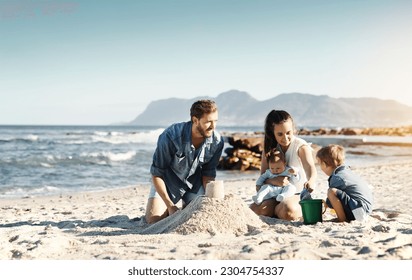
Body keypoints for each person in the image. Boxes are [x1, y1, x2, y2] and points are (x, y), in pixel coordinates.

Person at [145, 99, 224, 224]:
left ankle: (187, 204)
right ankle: (169, 206)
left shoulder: (217, 141)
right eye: (208, 122)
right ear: (195, 120)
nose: (213, 127)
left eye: (215, 121)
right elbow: (157, 174)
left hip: (194, 184)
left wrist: (209, 199)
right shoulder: (170, 136)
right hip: (168, 183)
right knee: (153, 220)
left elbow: (208, 174)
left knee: (201, 216)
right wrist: (170, 206)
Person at [250, 110, 317, 220]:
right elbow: (263, 177)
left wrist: (311, 181)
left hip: (296, 193)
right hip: (274, 193)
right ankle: (276, 208)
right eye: (280, 134)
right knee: (253, 210)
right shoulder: (269, 149)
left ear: (293, 129)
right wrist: (273, 181)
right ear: (272, 133)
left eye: (288, 133)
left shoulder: (301, 147)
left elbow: (311, 169)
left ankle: (278, 209)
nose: (285, 138)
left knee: (288, 210)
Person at [316, 144, 373, 222]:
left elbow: (331, 201)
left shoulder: (337, 178)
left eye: (319, 163)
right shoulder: (346, 172)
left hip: (359, 212)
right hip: (365, 210)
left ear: (324, 164)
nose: (320, 167)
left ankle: (341, 219)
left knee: (331, 191)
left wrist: (327, 202)